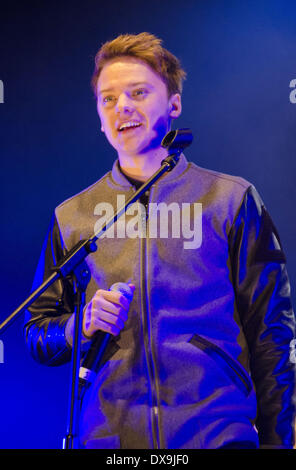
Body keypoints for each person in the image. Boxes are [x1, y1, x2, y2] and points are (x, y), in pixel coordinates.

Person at [25, 32, 295, 449]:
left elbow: (272, 334)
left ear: (173, 104)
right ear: (99, 117)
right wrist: (81, 325)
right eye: (109, 99)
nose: (123, 107)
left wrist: (281, 440)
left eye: (139, 92)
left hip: (216, 435)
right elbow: (37, 332)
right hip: (111, 440)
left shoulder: (230, 199)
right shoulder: (73, 216)